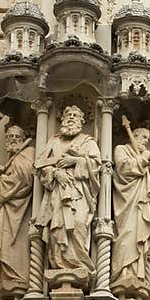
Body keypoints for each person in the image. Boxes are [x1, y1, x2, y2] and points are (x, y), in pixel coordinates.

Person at [35, 105, 101, 276]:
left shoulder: (88, 142)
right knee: (57, 230)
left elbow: (96, 165)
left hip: (79, 192)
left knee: (78, 223)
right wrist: (55, 173)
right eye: (68, 115)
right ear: (62, 119)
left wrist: (76, 160)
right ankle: (60, 264)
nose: (71, 118)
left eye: (75, 115)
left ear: (82, 121)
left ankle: (78, 262)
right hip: (57, 192)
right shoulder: (54, 142)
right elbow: (40, 166)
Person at [112, 117, 150, 296]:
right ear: (134, 136)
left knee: (140, 236)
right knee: (127, 235)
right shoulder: (122, 149)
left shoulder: (144, 156)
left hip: (141, 204)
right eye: (142, 137)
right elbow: (122, 170)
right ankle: (124, 271)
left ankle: (139, 274)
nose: (145, 141)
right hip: (126, 203)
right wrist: (142, 160)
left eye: (147, 139)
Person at [0, 124, 34, 297]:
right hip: (6, 210)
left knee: (17, 244)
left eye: (16, 136)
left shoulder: (28, 153)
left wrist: (1, 181)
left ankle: (18, 279)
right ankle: (6, 280)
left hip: (21, 211)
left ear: (23, 138)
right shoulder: (10, 160)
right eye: (9, 137)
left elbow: (24, 180)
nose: (13, 140)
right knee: (4, 242)